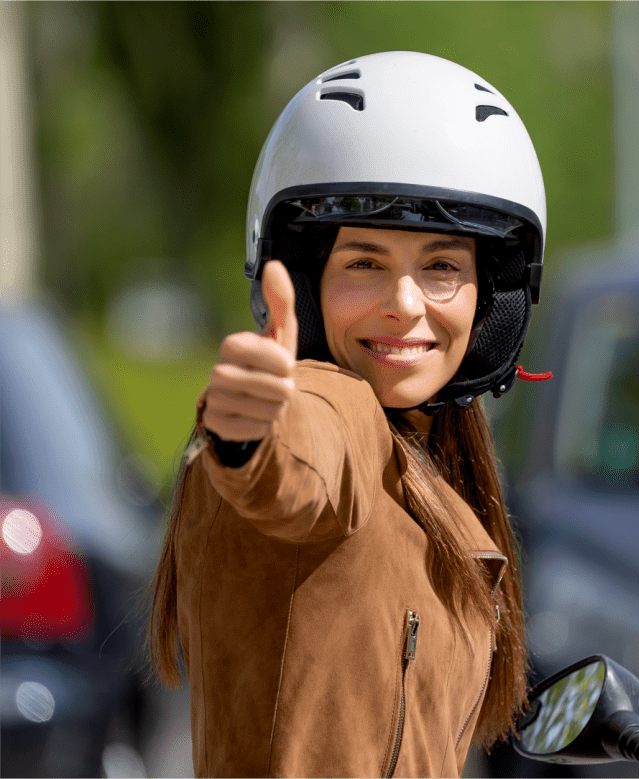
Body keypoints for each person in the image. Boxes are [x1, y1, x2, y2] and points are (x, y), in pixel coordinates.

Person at [147, 51, 548, 778]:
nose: (405, 300)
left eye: (442, 265)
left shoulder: (431, 468)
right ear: (304, 282)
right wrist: (249, 434)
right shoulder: (335, 411)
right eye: (364, 262)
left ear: (489, 299)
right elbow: (303, 453)